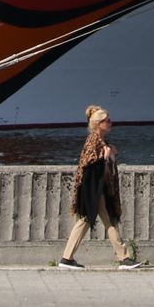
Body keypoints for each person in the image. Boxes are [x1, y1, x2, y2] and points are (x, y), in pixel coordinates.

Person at [58, 105, 142, 269]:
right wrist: (105, 157)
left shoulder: (101, 141)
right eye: (107, 121)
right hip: (94, 190)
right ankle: (124, 258)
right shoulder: (93, 141)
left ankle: (67, 258)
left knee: (87, 221)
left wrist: (111, 155)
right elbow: (88, 167)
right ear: (98, 123)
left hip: (98, 189)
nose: (110, 123)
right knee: (106, 221)